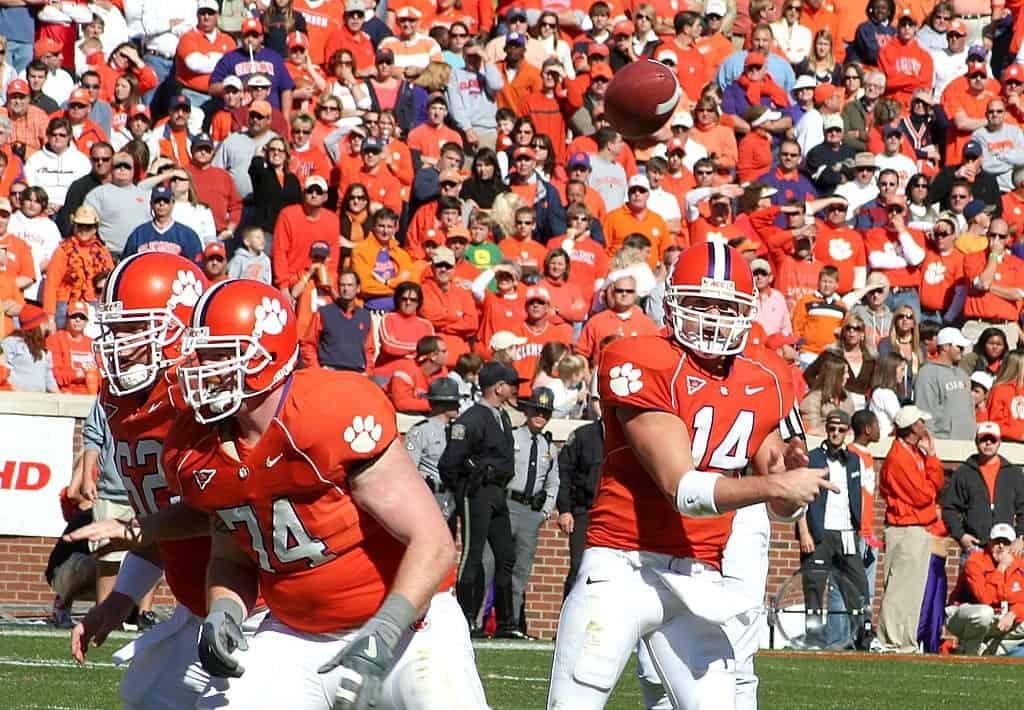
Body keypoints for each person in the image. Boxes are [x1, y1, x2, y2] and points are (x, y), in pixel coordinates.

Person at [162, 278, 488, 709]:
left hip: (406, 624)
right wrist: (225, 610)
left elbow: (434, 543)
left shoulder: (329, 411)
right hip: (293, 632)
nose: (204, 370)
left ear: (266, 356)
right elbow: (232, 556)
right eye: (202, 356)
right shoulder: (193, 447)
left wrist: (384, 632)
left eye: (221, 356)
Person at [547, 243, 835, 708]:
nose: (713, 319)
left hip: (700, 574)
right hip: (623, 567)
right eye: (700, 304)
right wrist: (774, 485)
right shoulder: (639, 357)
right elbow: (683, 488)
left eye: (725, 307)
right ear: (673, 302)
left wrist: (792, 484)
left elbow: (781, 501)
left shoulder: (765, 375)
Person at [66, 253, 215, 709]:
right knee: (145, 696)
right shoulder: (125, 397)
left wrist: (132, 529)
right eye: (114, 328)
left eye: (133, 328)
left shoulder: (207, 402)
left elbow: (224, 517)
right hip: (201, 605)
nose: (115, 341)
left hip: (263, 607)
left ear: (179, 328)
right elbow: (161, 525)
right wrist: (119, 600)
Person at [438, 360, 522, 638]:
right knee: (472, 555)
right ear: (498, 387)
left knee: (506, 556)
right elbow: (450, 462)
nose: (514, 389)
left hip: (497, 491)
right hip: (477, 491)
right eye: (511, 384)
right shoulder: (472, 418)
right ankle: (463, 618)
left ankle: (506, 623)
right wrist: (464, 486)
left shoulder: (502, 416)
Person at [796, 410, 872, 649]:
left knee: (859, 585)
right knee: (814, 587)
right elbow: (801, 499)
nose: (836, 434)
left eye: (841, 430)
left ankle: (863, 636)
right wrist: (804, 531)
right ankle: (814, 639)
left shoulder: (854, 460)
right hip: (819, 531)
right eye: (832, 429)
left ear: (848, 431)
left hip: (847, 532)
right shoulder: (813, 458)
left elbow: (856, 497)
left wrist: (861, 528)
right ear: (827, 430)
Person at [876, 404, 945, 654]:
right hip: (904, 528)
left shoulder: (915, 453)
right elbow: (923, 495)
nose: (925, 427)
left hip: (916, 527)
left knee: (913, 590)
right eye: (921, 423)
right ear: (914, 427)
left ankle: (906, 641)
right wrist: (930, 489)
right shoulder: (899, 457)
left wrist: (933, 455)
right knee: (899, 588)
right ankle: (890, 640)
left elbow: (935, 484)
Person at [506, 386, 560, 636]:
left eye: (545, 413)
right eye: (537, 410)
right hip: (508, 505)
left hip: (530, 511)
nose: (540, 416)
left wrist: (545, 512)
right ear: (527, 410)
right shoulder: (513, 437)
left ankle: (513, 623)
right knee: (492, 564)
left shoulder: (549, 447)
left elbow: (553, 483)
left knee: (521, 571)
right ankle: (481, 622)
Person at [943, 422, 1024, 560]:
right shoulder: (964, 473)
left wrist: (1021, 537)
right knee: (972, 582)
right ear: (976, 441)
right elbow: (949, 508)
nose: (988, 443)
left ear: (999, 442)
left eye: (992, 439)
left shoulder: (1014, 474)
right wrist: (961, 535)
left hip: (1006, 548)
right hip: (975, 548)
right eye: (983, 439)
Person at [946, 523, 1024, 655]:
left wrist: (1013, 613)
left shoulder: (1019, 565)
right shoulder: (975, 562)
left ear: (1011, 546)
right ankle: (971, 653)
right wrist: (1001, 569)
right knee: (984, 613)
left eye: (1005, 543)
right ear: (989, 543)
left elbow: (1021, 600)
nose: (1001, 546)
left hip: (998, 618)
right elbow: (985, 598)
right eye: (997, 541)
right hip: (962, 615)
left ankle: (993, 650)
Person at [556, 406, 603, 599]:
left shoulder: (631, 434)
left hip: (614, 513)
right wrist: (565, 509)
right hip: (584, 511)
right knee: (578, 567)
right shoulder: (583, 436)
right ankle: (566, 623)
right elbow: (564, 473)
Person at [404, 377, 463, 523]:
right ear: (442, 404)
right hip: (430, 495)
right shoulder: (421, 431)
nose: (459, 404)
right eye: (453, 401)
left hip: (452, 495)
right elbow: (409, 470)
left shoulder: (458, 431)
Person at [299, 270, 374, 373]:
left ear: (358, 288)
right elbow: (308, 345)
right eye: (342, 285)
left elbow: (369, 350)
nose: (345, 289)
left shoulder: (365, 316)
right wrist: (317, 370)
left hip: (357, 375)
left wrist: (367, 372)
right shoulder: (323, 313)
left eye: (350, 285)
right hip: (330, 373)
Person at [913, 326, 975, 440]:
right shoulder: (927, 373)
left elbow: (970, 410)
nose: (962, 351)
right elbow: (924, 410)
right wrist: (929, 440)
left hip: (968, 441)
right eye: (959, 347)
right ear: (945, 347)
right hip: (943, 441)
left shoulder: (963, 374)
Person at [122, 186, 203, 261]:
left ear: (173, 203)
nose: (161, 204)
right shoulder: (138, 233)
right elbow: (127, 262)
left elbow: (196, 265)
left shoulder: (187, 235)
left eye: (166, 201)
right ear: (151, 204)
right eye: (157, 201)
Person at [0, 304, 57, 392]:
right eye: (44, 323)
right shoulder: (12, 342)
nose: (47, 327)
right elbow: (4, 370)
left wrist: (59, 394)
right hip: (16, 398)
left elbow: (48, 376)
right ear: (36, 325)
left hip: (40, 400)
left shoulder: (44, 348)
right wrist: (13, 388)